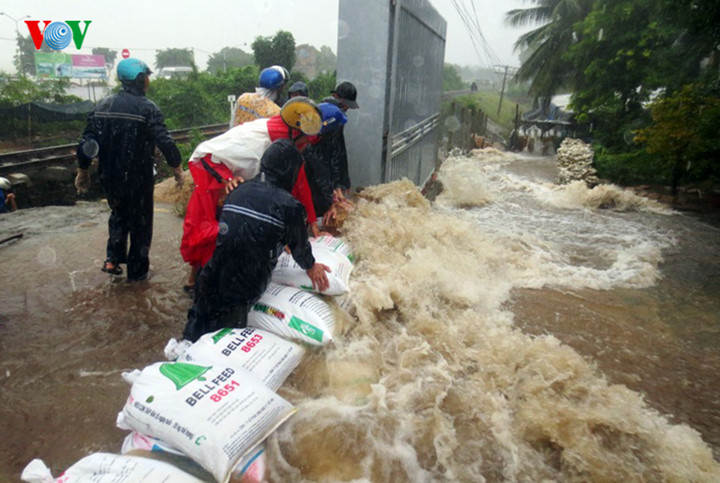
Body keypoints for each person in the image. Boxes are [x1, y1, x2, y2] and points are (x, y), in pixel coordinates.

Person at [182, 138, 331, 342]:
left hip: (211, 275)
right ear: (291, 172)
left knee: (195, 330)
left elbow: (242, 230)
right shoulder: (290, 205)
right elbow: (300, 246)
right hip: (243, 285)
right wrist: (311, 266)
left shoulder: (238, 191)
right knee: (225, 338)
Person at [180, 97, 325, 294]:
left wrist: (312, 222)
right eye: (305, 141)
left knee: (227, 235)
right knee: (209, 234)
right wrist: (226, 179)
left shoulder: (283, 144)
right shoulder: (256, 141)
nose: (307, 146)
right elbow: (203, 153)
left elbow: (300, 183)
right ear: (294, 133)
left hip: (239, 188)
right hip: (215, 185)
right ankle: (198, 281)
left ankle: (208, 282)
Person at [75, 58, 183, 281]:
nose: (149, 81)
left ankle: (112, 258)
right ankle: (137, 275)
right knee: (141, 225)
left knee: (118, 214)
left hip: (109, 176)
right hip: (138, 178)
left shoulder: (103, 105)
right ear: (141, 79)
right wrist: (177, 169)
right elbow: (165, 141)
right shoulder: (148, 108)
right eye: (147, 77)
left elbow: (87, 143)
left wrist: (83, 171)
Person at [302, 103, 348, 222]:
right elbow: (319, 173)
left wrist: (336, 187)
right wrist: (330, 202)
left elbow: (333, 161)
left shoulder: (327, 137)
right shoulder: (308, 143)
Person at [327, 81, 359, 203]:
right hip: (324, 176)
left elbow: (340, 148)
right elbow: (332, 155)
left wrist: (345, 180)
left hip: (331, 176)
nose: (346, 108)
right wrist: (336, 186)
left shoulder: (339, 115)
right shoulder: (331, 117)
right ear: (336, 97)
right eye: (345, 104)